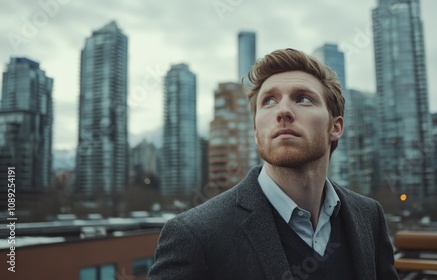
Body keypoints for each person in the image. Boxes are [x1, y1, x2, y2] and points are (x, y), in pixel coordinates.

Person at [148, 48, 399, 280]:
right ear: (257, 131)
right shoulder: (193, 236)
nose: (283, 111)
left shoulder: (369, 216)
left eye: (302, 99)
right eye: (269, 101)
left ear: (335, 127)